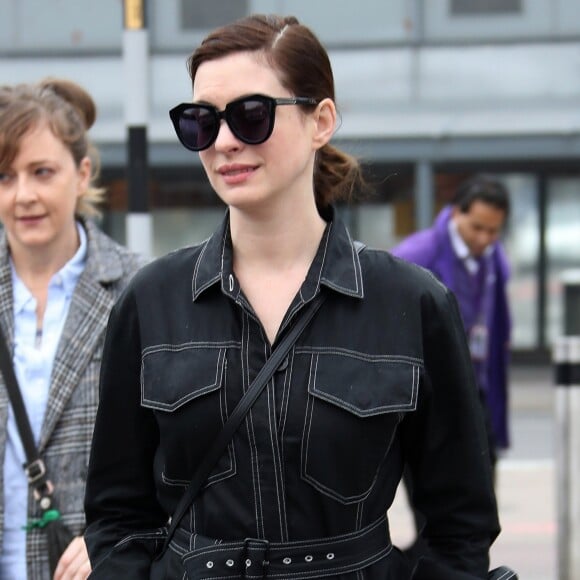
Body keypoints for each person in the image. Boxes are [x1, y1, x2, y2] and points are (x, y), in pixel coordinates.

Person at [84, 14, 502, 579]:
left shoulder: (412, 303)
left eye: (251, 115)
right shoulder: (149, 301)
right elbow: (116, 512)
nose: (224, 141)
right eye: (200, 122)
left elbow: (460, 523)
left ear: (321, 120)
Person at [0, 78, 145, 579]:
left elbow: (182, 459)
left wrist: (123, 535)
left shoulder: (140, 290)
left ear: (82, 174)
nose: (24, 195)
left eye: (42, 172)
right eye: (5, 177)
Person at [391, 175, 512, 468]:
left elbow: (499, 324)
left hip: (474, 386)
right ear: (457, 212)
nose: (484, 239)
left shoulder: (494, 257)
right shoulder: (415, 256)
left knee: (483, 482)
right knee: (434, 492)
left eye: (493, 231)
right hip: (427, 397)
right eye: (477, 228)